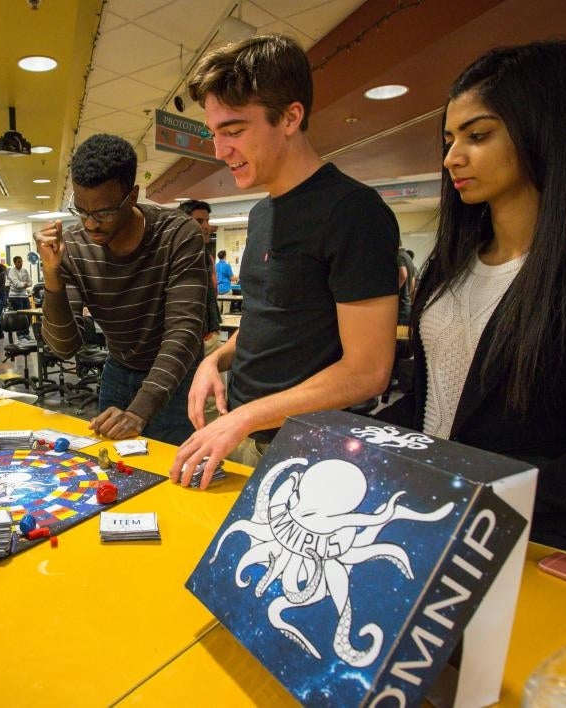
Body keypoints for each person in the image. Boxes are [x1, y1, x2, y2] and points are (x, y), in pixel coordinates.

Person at [382, 40, 566, 554]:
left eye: (478, 135)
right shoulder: (452, 265)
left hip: (519, 540)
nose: (451, 158)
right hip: (427, 522)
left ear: (544, 130)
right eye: (448, 139)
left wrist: (479, 481)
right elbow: (433, 402)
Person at [170, 35, 399, 487]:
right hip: (240, 433)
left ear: (291, 116)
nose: (219, 151)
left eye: (234, 131)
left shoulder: (354, 211)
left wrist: (248, 416)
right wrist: (212, 362)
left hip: (307, 454)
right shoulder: (261, 213)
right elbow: (266, 321)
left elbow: (368, 371)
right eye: (214, 134)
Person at [36, 133, 208, 444]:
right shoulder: (72, 246)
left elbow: (183, 332)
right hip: (118, 369)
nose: (90, 224)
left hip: (177, 375)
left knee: (174, 476)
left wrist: (140, 411)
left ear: (132, 196)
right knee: (112, 468)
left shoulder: (178, 234)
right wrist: (52, 275)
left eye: (102, 213)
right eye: (82, 212)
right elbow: (64, 347)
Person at [180, 199, 224, 423]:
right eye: (199, 221)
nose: (206, 226)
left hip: (209, 338)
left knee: (212, 403)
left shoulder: (206, 257)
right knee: (198, 407)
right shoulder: (178, 258)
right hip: (190, 345)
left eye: (207, 220)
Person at [7, 255, 33, 339]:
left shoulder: (25, 270)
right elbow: (17, 284)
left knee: (28, 315)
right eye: (18, 262)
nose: (20, 263)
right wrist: (24, 284)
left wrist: (24, 284)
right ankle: (20, 335)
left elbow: (30, 282)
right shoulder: (12, 271)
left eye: (21, 261)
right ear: (15, 263)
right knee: (20, 317)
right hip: (15, 296)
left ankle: (26, 333)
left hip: (24, 296)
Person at [396, 246, 417, 325]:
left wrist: (394, 291)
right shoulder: (408, 257)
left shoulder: (399, 256)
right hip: (407, 305)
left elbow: (403, 275)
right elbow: (413, 280)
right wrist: (408, 294)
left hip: (400, 306)